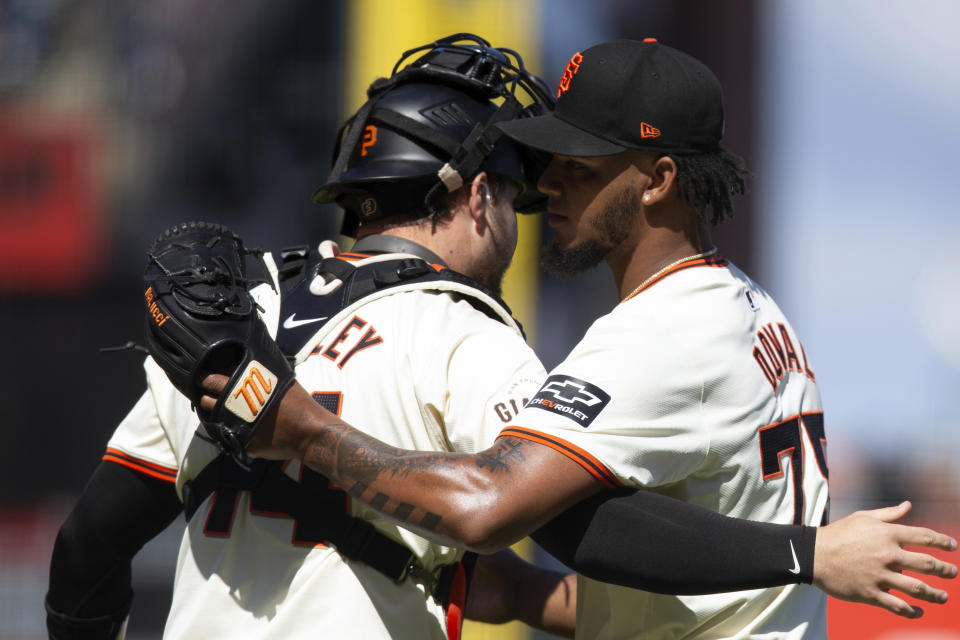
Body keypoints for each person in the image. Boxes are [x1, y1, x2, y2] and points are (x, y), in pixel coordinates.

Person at [49, 35, 954, 640]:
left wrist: (294, 427)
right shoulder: (751, 316)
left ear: (659, 177)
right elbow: (575, 535)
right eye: (531, 169)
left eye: (572, 165)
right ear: (474, 196)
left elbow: (89, 547)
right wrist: (802, 555)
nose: (545, 187)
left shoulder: (237, 321)